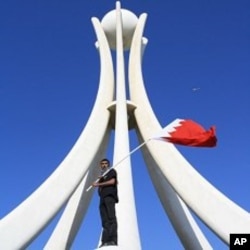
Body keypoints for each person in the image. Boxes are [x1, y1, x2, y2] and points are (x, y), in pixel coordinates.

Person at [92, 158, 119, 247]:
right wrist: (100, 182)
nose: (104, 165)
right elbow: (99, 189)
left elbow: (113, 181)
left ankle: (112, 240)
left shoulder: (111, 171)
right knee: (105, 220)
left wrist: (98, 184)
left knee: (111, 218)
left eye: (106, 163)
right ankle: (105, 241)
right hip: (102, 198)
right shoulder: (102, 177)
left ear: (108, 164)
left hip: (109, 197)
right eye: (102, 164)